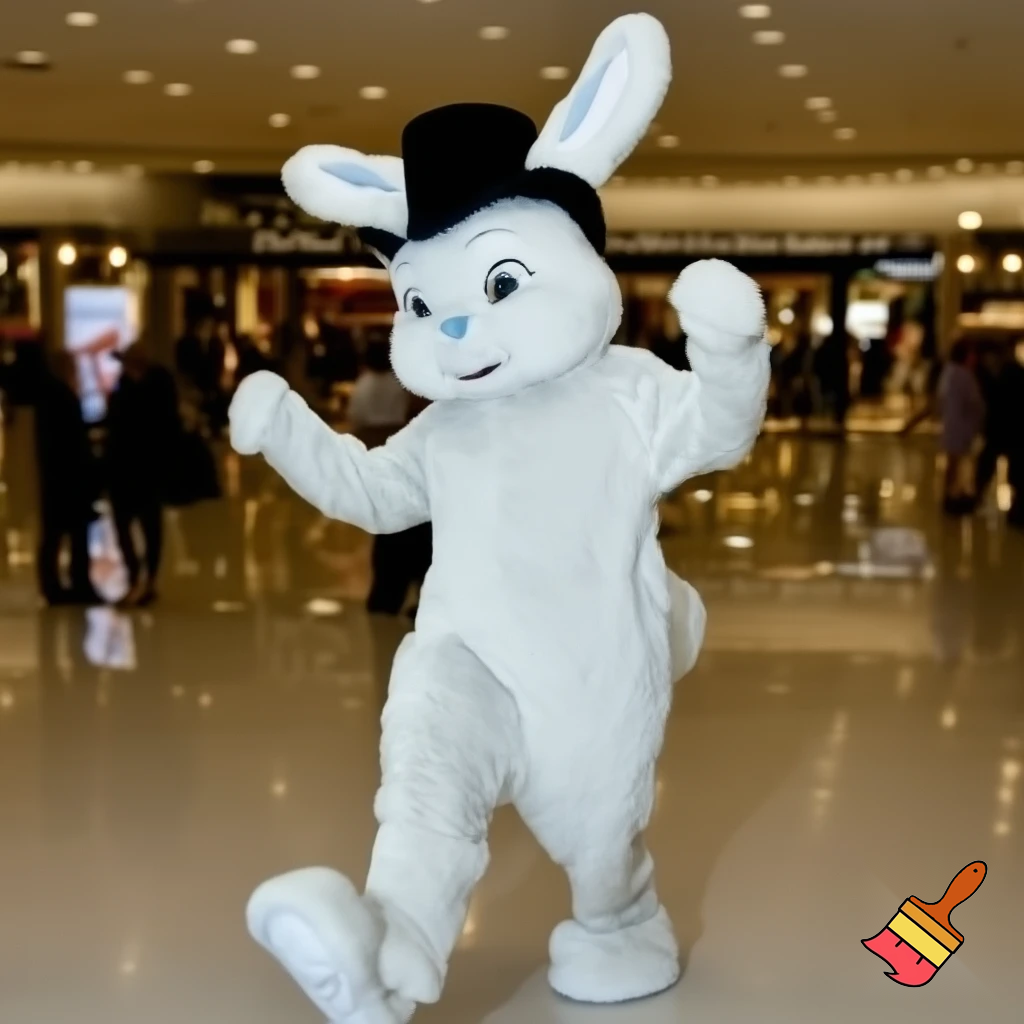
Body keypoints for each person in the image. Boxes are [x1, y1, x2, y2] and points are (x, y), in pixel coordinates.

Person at [348, 339, 431, 615]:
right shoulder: (402, 384)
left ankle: (386, 594)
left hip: (374, 450)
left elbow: (355, 419)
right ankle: (418, 588)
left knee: (386, 526)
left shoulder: (361, 386)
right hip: (403, 448)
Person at [106, 344, 182, 606]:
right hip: (125, 469)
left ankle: (147, 580)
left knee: (149, 527)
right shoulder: (125, 386)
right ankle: (136, 578)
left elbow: (164, 426)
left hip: (146, 469)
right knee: (126, 525)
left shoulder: (155, 386)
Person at [34, 351, 100, 605]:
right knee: (72, 532)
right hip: (68, 477)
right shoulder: (60, 395)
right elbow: (71, 439)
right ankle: (75, 583)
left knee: (55, 533)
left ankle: (54, 585)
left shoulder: (51, 394)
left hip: (57, 477)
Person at [975, 340, 1024, 524]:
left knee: (987, 465)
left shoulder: (997, 376)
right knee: (1017, 472)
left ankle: (978, 496)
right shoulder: (1016, 373)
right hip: (1015, 431)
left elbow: (991, 402)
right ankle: (1017, 510)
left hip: (999, 429)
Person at [937, 339, 985, 516]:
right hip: (962, 425)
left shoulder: (949, 372)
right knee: (959, 463)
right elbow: (975, 403)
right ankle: (956, 496)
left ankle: (950, 494)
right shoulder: (964, 375)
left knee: (952, 463)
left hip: (952, 424)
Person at [175, 315, 227, 435]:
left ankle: (214, 427)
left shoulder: (215, 344)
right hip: (194, 383)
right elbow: (186, 366)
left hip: (210, 384)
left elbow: (216, 365)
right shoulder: (187, 344)